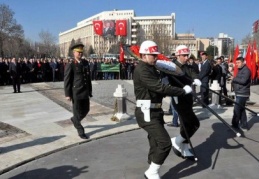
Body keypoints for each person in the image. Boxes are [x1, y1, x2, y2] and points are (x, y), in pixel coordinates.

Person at [133, 40, 193, 179]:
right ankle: (152, 172)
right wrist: (182, 91)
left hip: (155, 111)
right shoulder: (142, 70)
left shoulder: (152, 68)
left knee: (155, 142)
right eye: (152, 55)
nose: (155, 57)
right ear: (143, 55)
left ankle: (152, 165)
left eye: (156, 55)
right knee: (164, 142)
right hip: (146, 112)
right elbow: (159, 87)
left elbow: (161, 89)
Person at [167, 45, 201, 161]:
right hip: (179, 98)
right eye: (184, 55)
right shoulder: (172, 67)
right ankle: (176, 141)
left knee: (186, 125)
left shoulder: (187, 66)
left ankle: (185, 147)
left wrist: (196, 78)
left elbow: (192, 73)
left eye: (187, 55)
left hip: (188, 98)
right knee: (194, 123)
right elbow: (169, 83)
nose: (187, 57)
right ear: (177, 55)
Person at [64, 43, 92, 139]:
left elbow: (88, 78)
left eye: (81, 52)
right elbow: (67, 80)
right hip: (76, 92)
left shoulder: (85, 63)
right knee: (76, 111)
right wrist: (67, 94)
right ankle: (81, 131)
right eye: (78, 52)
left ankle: (75, 120)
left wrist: (90, 91)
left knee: (86, 109)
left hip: (85, 91)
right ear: (74, 52)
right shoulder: (70, 64)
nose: (80, 54)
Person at [231, 57, 251, 131]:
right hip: (239, 92)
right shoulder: (241, 70)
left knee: (237, 109)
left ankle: (234, 125)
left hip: (243, 93)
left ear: (243, 62)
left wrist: (234, 79)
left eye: (238, 63)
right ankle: (244, 125)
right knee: (241, 110)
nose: (237, 64)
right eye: (236, 63)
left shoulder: (246, 71)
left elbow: (243, 81)